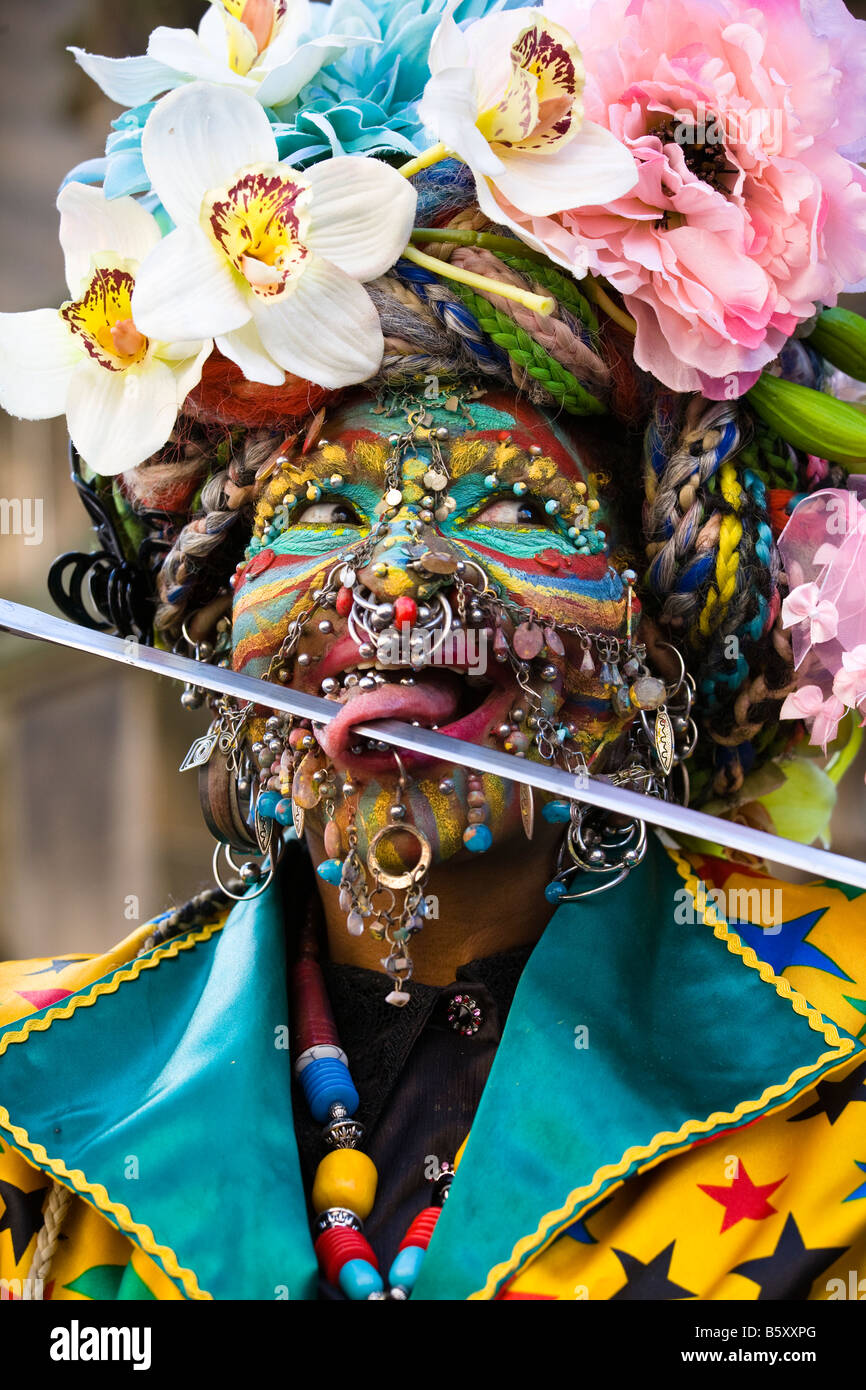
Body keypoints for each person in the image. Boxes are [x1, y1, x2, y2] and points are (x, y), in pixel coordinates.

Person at [1, 0, 866, 1303]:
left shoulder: (837, 1056)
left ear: (660, 610)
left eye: (510, 508)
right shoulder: (25, 1070)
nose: (396, 570)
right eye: (329, 511)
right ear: (217, 602)